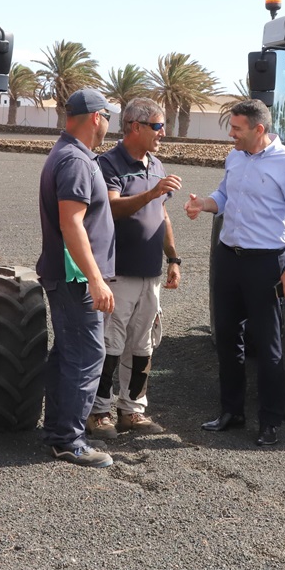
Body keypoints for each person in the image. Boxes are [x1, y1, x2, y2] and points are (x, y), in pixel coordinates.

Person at [184, 99, 285, 447]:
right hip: (229, 258)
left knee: (269, 346)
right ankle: (232, 412)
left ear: (259, 129)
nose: (231, 134)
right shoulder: (236, 157)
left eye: (237, 129)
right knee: (227, 339)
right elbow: (225, 196)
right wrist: (204, 204)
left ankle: (269, 421)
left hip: (266, 262)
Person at [87, 98, 182, 440]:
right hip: (118, 272)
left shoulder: (155, 164)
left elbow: (163, 215)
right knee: (110, 344)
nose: (163, 133)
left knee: (143, 345)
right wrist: (153, 192)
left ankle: (132, 410)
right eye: (158, 126)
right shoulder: (108, 164)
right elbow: (111, 208)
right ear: (135, 127)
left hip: (150, 273)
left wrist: (173, 258)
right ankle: (98, 413)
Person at [36, 88, 120, 468]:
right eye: (108, 117)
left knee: (69, 354)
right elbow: (72, 224)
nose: (108, 125)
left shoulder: (71, 155)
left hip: (70, 278)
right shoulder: (75, 161)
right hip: (75, 280)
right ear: (96, 117)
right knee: (88, 355)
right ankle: (69, 440)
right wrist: (95, 279)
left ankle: (57, 431)